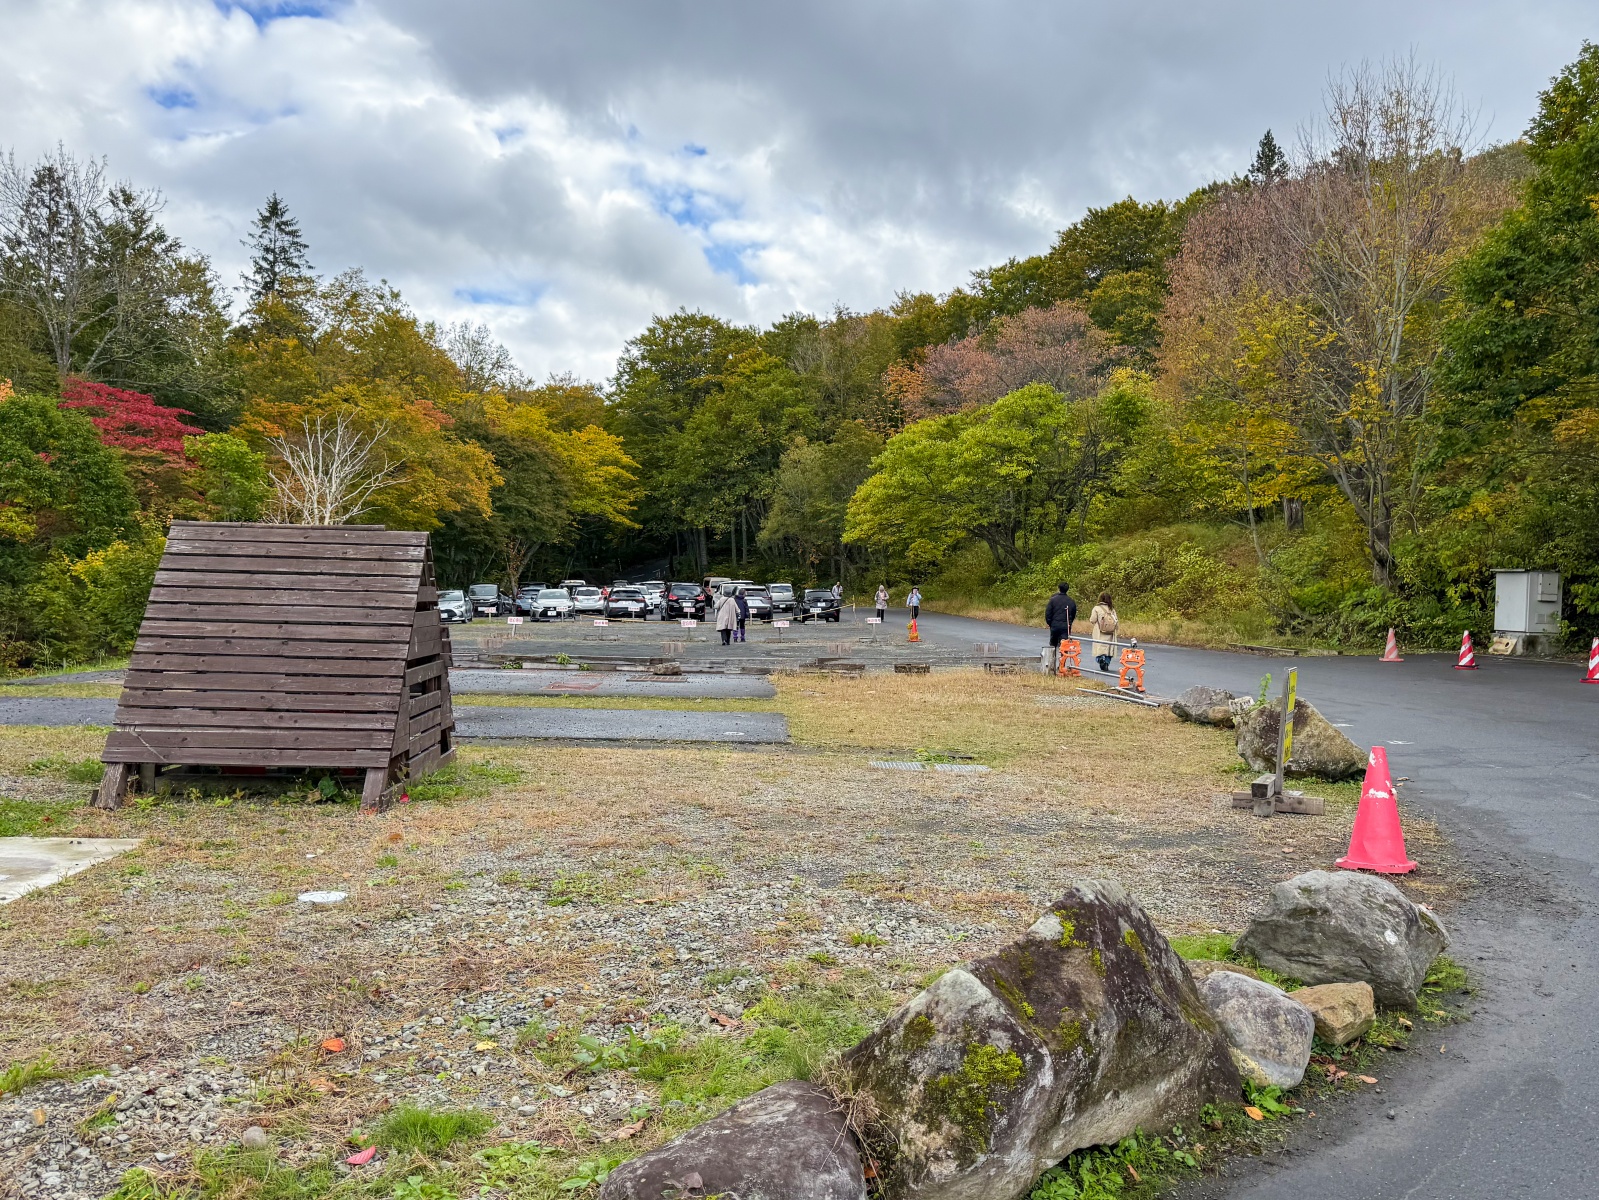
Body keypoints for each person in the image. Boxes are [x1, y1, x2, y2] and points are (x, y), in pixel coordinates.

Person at [1044, 581, 1077, 669]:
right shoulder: (1071, 601)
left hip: (1055, 625)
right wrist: (1069, 622)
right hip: (1066, 626)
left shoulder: (1053, 600)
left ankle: (1051, 665)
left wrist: (1050, 623)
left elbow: (1048, 613)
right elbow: (1073, 614)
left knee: (1053, 644)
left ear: (1059, 588)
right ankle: (1062, 665)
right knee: (1064, 645)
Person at [1088, 591, 1118, 673]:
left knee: (1099, 647)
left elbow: (1092, 620)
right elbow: (1116, 620)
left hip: (1100, 631)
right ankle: (1107, 662)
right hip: (1111, 632)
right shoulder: (1112, 609)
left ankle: (1101, 659)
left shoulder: (1096, 608)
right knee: (1109, 648)